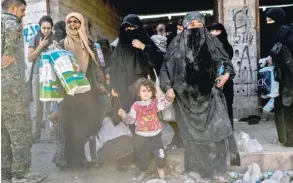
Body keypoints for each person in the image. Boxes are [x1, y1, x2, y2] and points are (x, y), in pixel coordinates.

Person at [160, 12, 240, 180]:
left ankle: (219, 171)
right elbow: (165, 69)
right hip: (185, 101)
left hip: (211, 96)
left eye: (199, 25)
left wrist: (225, 75)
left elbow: (225, 62)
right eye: (192, 25)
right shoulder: (176, 44)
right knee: (192, 138)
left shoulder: (212, 42)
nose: (195, 29)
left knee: (218, 132)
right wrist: (167, 87)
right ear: (185, 26)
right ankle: (196, 170)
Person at [52, 12, 107, 168]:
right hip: (68, 91)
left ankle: (88, 158)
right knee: (68, 124)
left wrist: (102, 84)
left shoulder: (90, 44)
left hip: (88, 89)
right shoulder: (62, 44)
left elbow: (96, 67)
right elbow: (55, 67)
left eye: (76, 22)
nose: (72, 25)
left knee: (88, 123)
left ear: (81, 23)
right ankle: (68, 160)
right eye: (69, 22)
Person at [1, 0, 45, 182]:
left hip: (2, 90)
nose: (24, 13)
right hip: (12, 88)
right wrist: (10, 51)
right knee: (20, 132)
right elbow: (12, 28)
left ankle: (6, 174)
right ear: (13, 8)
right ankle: (21, 175)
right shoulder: (10, 21)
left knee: (4, 134)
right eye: (22, 9)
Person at [118, 78, 175, 182]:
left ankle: (160, 170)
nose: (146, 93)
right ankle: (143, 171)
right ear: (138, 93)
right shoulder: (136, 106)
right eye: (143, 91)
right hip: (141, 138)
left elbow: (165, 104)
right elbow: (130, 121)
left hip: (156, 136)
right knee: (142, 157)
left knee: (160, 154)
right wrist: (124, 115)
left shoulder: (155, 103)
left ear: (152, 92)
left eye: (149, 90)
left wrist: (169, 97)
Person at [110, 14, 163, 113]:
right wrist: (113, 85)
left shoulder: (145, 42)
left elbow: (159, 60)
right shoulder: (120, 46)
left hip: (143, 88)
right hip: (124, 88)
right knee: (128, 114)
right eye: (127, 28)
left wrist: (143, 47)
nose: (130, 30)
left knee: (144, 115)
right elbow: (114, 66)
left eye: (133, 27)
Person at [263, 8, 293, 147]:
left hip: (287, 79)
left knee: (286, 108)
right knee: (283, 108)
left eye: (270, 20)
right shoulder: (282, 33)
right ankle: (286, 139)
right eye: (266, 20)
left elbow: (284, 57)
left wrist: (272, 58)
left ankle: (288, 140)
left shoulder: (285, 33)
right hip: (282, 78)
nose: (267, 23)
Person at [27, 15, 54, 142]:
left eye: (49, 28)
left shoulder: (55, 40)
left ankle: (49, 136)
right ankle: (35, 134)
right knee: (37, 107)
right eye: (44, 28)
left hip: (51, 75)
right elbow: (30, 58)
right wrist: (41, 45)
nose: (46, 31)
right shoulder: (34, 39)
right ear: (40, 27)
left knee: (49, 107)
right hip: (38, 75)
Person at [209, 22, 235, 130]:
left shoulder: (227, 47)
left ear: (222, 32)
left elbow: (227, 64)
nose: (214, 33)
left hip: (225, 80)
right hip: (210, 81)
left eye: (217, 31)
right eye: (212, 31)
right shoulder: (206, 46)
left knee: (226, 105)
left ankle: (228, 129)